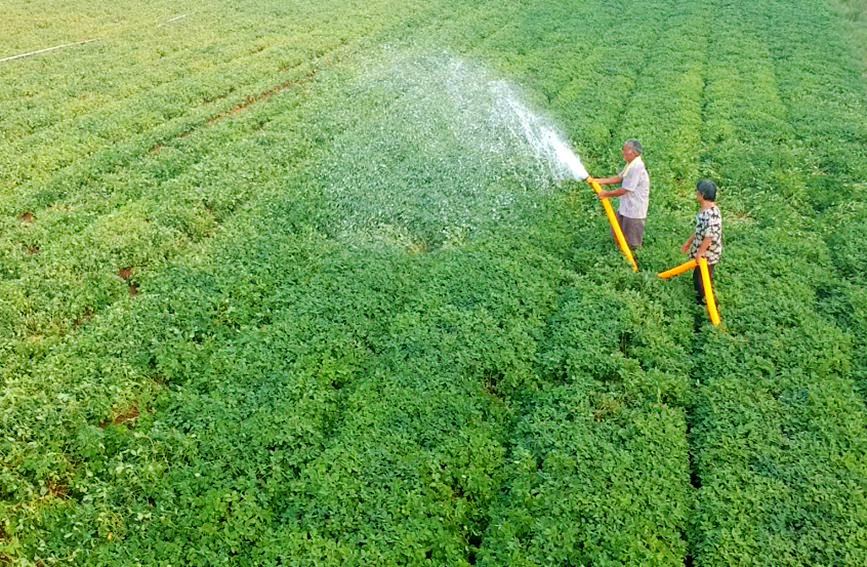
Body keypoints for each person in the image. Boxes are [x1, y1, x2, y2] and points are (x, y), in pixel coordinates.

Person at [594, 139, 650, 248]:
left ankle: (632, 262)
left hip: (634, 211)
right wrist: (599, 181)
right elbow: (620, 178)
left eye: (626, 150)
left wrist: (606, 194)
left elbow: (625, 189)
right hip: (626, 207)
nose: (623, 152)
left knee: (632, 242)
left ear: (634, 153)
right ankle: (620, 255)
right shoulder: (630, 164)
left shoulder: (636, 167)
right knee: (616, 230)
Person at [682, 179, 723, 305]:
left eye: (697, 192)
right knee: (697, 276)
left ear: (702, 195)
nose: (696, 194)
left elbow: (709, 236)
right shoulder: (704, 211)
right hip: (702, 251)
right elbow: (700, 230)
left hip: (708, 254)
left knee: (704, 280)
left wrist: (700, 253)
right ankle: (699, 299)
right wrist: (689, 242)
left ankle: (711, 304)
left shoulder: (711, 215)